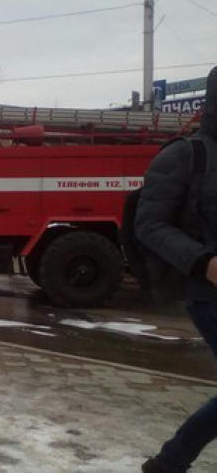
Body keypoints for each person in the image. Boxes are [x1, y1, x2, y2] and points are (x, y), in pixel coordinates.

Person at [136, 65, 217, 473]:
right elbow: (149, 223)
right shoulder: (187, 154)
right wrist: (203, 262)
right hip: (209, 293)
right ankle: (169, 464)